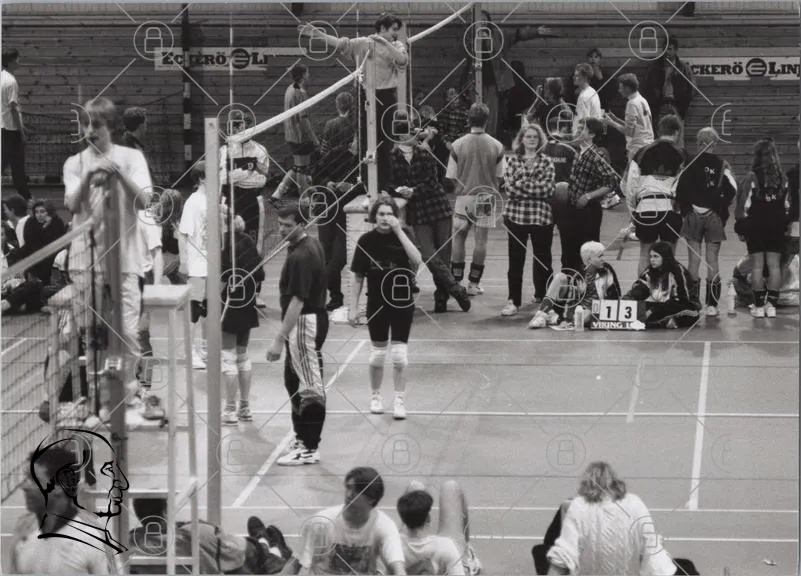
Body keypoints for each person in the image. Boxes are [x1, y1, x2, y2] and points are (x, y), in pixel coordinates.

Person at [63, 96, 153, 418]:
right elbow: (72, 205)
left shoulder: (132, 158)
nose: (89, 131)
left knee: (127, 332)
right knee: (93, 335)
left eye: (96, 125)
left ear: (110, 127)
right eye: (84, 125)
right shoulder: (74, 163)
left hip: (125, 260)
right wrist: (89, 175)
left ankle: (129, 394)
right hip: (85, 262)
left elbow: (145, 202)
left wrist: (118, 175)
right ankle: (96, 397)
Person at [299, 13, 408, 195]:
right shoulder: (364, 43)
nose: (396, 33)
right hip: (366, 96)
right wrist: (318, 35)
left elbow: (402, 60)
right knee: (365, 143)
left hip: (387, 96)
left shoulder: (396, 45)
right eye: (393, 29)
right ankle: (366, 185)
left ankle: (385, 186)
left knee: (386, 143)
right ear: (382, 28)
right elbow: (341, 44)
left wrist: (384, 42)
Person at [267, 202, 329, 466]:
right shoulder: (306, 245)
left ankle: (309, 447)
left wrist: (278, 340)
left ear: (302, 224)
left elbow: (297, 301)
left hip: (304, 323)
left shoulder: (301, 256)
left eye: (288, 226)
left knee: (309, 386)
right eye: (280, 224)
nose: (282, 230)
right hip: (308, 321)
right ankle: (302, 436)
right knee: (293, 380)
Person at [350, 197, 423, 419]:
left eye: (389, 214)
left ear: (396, 216)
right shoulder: (366, 241)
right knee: (378, 356)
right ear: (374, 217)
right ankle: (375, 396)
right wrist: (353, 307)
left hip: (402, 302)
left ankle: (399, 400)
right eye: (381, 214)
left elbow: (417, 260)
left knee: (400, 356)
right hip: (377, 303)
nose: (385, 218)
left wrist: (399, 231)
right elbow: (358, 277)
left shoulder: (404, 235)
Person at [389, 127, 471, 314]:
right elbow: (389, 184)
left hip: (438, 207)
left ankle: (441, 298)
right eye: (411, 133)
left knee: (443, 256)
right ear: (401, 135)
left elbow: (433, 182)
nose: (415, 137)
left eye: (415, 133)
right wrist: (400, 191)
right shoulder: (392, 158)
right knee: (428, 254)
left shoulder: (425, 154)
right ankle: (456, 289)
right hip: (418, 213)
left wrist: (413, 191)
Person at [10, 439, 124, 573]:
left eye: (34, 480)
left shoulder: (94, 537)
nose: (25, 486)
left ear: (59, 487)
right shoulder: (24, 530)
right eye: (26, 479)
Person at [546, 461, 676, 576]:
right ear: (615, 481)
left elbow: (563, 556)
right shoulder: (636, 504)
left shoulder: (579, 506)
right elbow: (654, 556)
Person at [289, 467, 406, 575]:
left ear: (371, 499)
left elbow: (397, 566)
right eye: (348, 488)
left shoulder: (384, 526)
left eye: (356, 491)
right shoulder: (321, 522)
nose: (349, 495)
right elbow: (296, 563)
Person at [130, 497, 291, 574]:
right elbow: (237, 552)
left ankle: (262, 542)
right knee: (249, 549)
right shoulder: (195, 532)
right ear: (166, 511)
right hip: (234, 559)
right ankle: (269, 546)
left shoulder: (130, 542)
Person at [675, 127, 737, 315]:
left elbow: (679, 190)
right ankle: (712, 305)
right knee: (712, 260)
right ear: (714, 143)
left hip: (692, 216)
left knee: (693, 261)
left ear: (698, 142)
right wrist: (720, 208)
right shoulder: (722, 165)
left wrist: (686, 210)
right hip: (714, 217)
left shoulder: (689, 163)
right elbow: (732, 190)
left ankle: (693, 303)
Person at [447, 102, 506, 296]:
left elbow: (451, 176)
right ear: (487, 121)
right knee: (481, 241)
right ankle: (473, 284)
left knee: (458, 238)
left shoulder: (457, 144)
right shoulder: (497, 145)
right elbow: (500, 176)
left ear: (468, 120)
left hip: (464, 196)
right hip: (485, 197)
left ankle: (456, 282)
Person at [501, 122, 556, 316]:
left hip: (541, 217)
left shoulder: (547, 161)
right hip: (516, 217)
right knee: (516, 262)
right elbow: (509, 189)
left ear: (540, 140)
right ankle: (513, 301)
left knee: (543, 260)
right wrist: (534, 186)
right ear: (522, 139)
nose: (532, 140)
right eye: (528, 136)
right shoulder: (512, 160)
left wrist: (522, 184)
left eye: (535, 137)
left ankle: (544, 297)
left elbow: (548, 189)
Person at [734, 137, 791, 319]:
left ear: (757, 156)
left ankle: (759, 307)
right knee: (774, 266)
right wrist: (785, 225)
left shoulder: (752, 177)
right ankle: (771, 306)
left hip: (756, 227)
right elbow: (787, 207)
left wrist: (741, 228)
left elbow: (743, 206)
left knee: (757, 267)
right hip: (776, 227)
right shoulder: (783, 178)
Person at [313, 91, 357, 312]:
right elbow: (317, 173)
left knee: (336, 256)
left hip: (344, 209)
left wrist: (351, 186)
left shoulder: (359, 160)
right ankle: (335, 296)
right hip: (329, 205)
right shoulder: (337, 153)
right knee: (329, 254)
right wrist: (328, 183)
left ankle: (328, 291)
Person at [625, 114, 686, 274]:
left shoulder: (641, 152)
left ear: (658, 131)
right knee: (668, 255)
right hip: (670, 209)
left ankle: (643, 288)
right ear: (677, 132)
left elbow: (630, 184)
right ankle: (666, 289)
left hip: (645, 208)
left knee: (645, 253)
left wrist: (633, 210)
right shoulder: (682, 154)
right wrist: (681, 210)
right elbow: (685, 186)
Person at [220, 117, 270, 308]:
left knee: (254, 246)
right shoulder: (224, 151)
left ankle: (255, 292)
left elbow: (261, 180)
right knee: (228, 244)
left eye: (241, 127)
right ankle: (229, 289)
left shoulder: (260, 150)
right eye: (234, 126)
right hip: (230, 201)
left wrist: (235, 176)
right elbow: (221, 178)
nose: (237, 130)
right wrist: (247, 171)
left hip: (252, 202)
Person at [220, 204, 264, 425]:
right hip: (246, 302)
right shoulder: (248, 241)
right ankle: (244, 407)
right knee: (242, 355)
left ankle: (229, 409)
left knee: (228, 357)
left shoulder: (223, 245)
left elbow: (221, 276)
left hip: (228, 303)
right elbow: (260, 274)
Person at [563, 117, 619, 271]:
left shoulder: (597, 155)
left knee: (589, 253)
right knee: (571, 252)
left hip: (589, 211)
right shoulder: (578, 152)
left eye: (582, 129)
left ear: (592, 134)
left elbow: (611, 182)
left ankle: (591, 282)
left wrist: (589, 196)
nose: (577, 131)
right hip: (573, 209)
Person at [528, 241, 621, 329]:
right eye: (600, 256)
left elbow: (616, 295)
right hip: (579, 309)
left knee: (585, 316)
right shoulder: (578, 274)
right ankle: (542, 315)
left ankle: (553, 318)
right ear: (589, 260)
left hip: (597, 309)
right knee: (560, 276)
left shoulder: (606, 270)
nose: (603, 259)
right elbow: (570, 302)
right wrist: (578, 295)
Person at [397, 480, 482, 576]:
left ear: (404, 519)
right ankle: (467, 555)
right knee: (451, 486)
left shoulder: (392, 543)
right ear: (428, 518)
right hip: (447, 560)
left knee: (415, 486)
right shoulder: (447, 545)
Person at [623, 240, 700, 329]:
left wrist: (654, 310)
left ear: (665, 257)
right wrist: (631, 296)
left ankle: (655, 322)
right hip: (659, 305)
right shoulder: (649, 271)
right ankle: (662, 322)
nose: (652, 260)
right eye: (651, 256)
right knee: (638, 307)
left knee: (687, 315)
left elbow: (683, 300)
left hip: (682, 306)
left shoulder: (678, 272)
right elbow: (641, 287)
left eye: (656, 257)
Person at [179, 163, 210, 369]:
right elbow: (183, 234)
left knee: (208, 309)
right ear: (201, 178)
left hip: (211, 263)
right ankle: (189, 352)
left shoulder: (214, 200)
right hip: (197, 264)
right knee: (194, 309)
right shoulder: (193, 201)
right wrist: (184, 261)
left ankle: (205, 348)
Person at [274, 64, 319, 200]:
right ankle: (304, 200)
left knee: (297, 166)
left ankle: (278, 193)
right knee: (302, 168)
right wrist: (314, 138)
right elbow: (303, 119)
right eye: (307, 73)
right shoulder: (300, 93)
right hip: (300, 136)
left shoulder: (289, 89)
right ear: (303, 75)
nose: (309, 75)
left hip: (291, 134)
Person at [542, 116, 577, 271]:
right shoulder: (571, 150)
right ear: (563, 128)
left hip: (544, 203)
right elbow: (577, 176)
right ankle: (568, 274)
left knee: (542, 246)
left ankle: (543, 281)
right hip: (566, 203)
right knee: (568, 244)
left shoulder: (539, 149)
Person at [645, 37, 695, 140]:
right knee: (659, 135)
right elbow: (646, 86)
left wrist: (683, 105)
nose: (666, 51)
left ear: (675, 50)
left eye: (669, 49)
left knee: (677, 137)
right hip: (659, 105)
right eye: (664, 49)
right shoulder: (655, 67)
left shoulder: (683, 68)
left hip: (677, 105)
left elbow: (692, 88)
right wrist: (653, 103)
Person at [602, 73, 654, 164]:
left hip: (637, 148)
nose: (619, 91)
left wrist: (611, 123)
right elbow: (637, 125)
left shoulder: (632, 103)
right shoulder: (642, 100)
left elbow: (629, 131)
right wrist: (616, 119)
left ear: (628, 88)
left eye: (621, 88)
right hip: (647, 145)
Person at [2, 48, 30, 200]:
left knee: (8, 162)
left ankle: (25, 195)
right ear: (11, 61)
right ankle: (26, 197)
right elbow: (13, 108)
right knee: (16, 164)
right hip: (10, 129)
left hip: (3, 128)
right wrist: (21, 131)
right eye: (18, 59)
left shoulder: (2, 78)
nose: (19, 61)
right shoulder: (11, 81)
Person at [570, 63, 603, 139]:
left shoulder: (584, 96)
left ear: (585, 77)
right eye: (574, 75)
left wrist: (574, 139)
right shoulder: (592, 91)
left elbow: (583, 122)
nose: (574, 77)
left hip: (584, 138)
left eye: (577, 75)